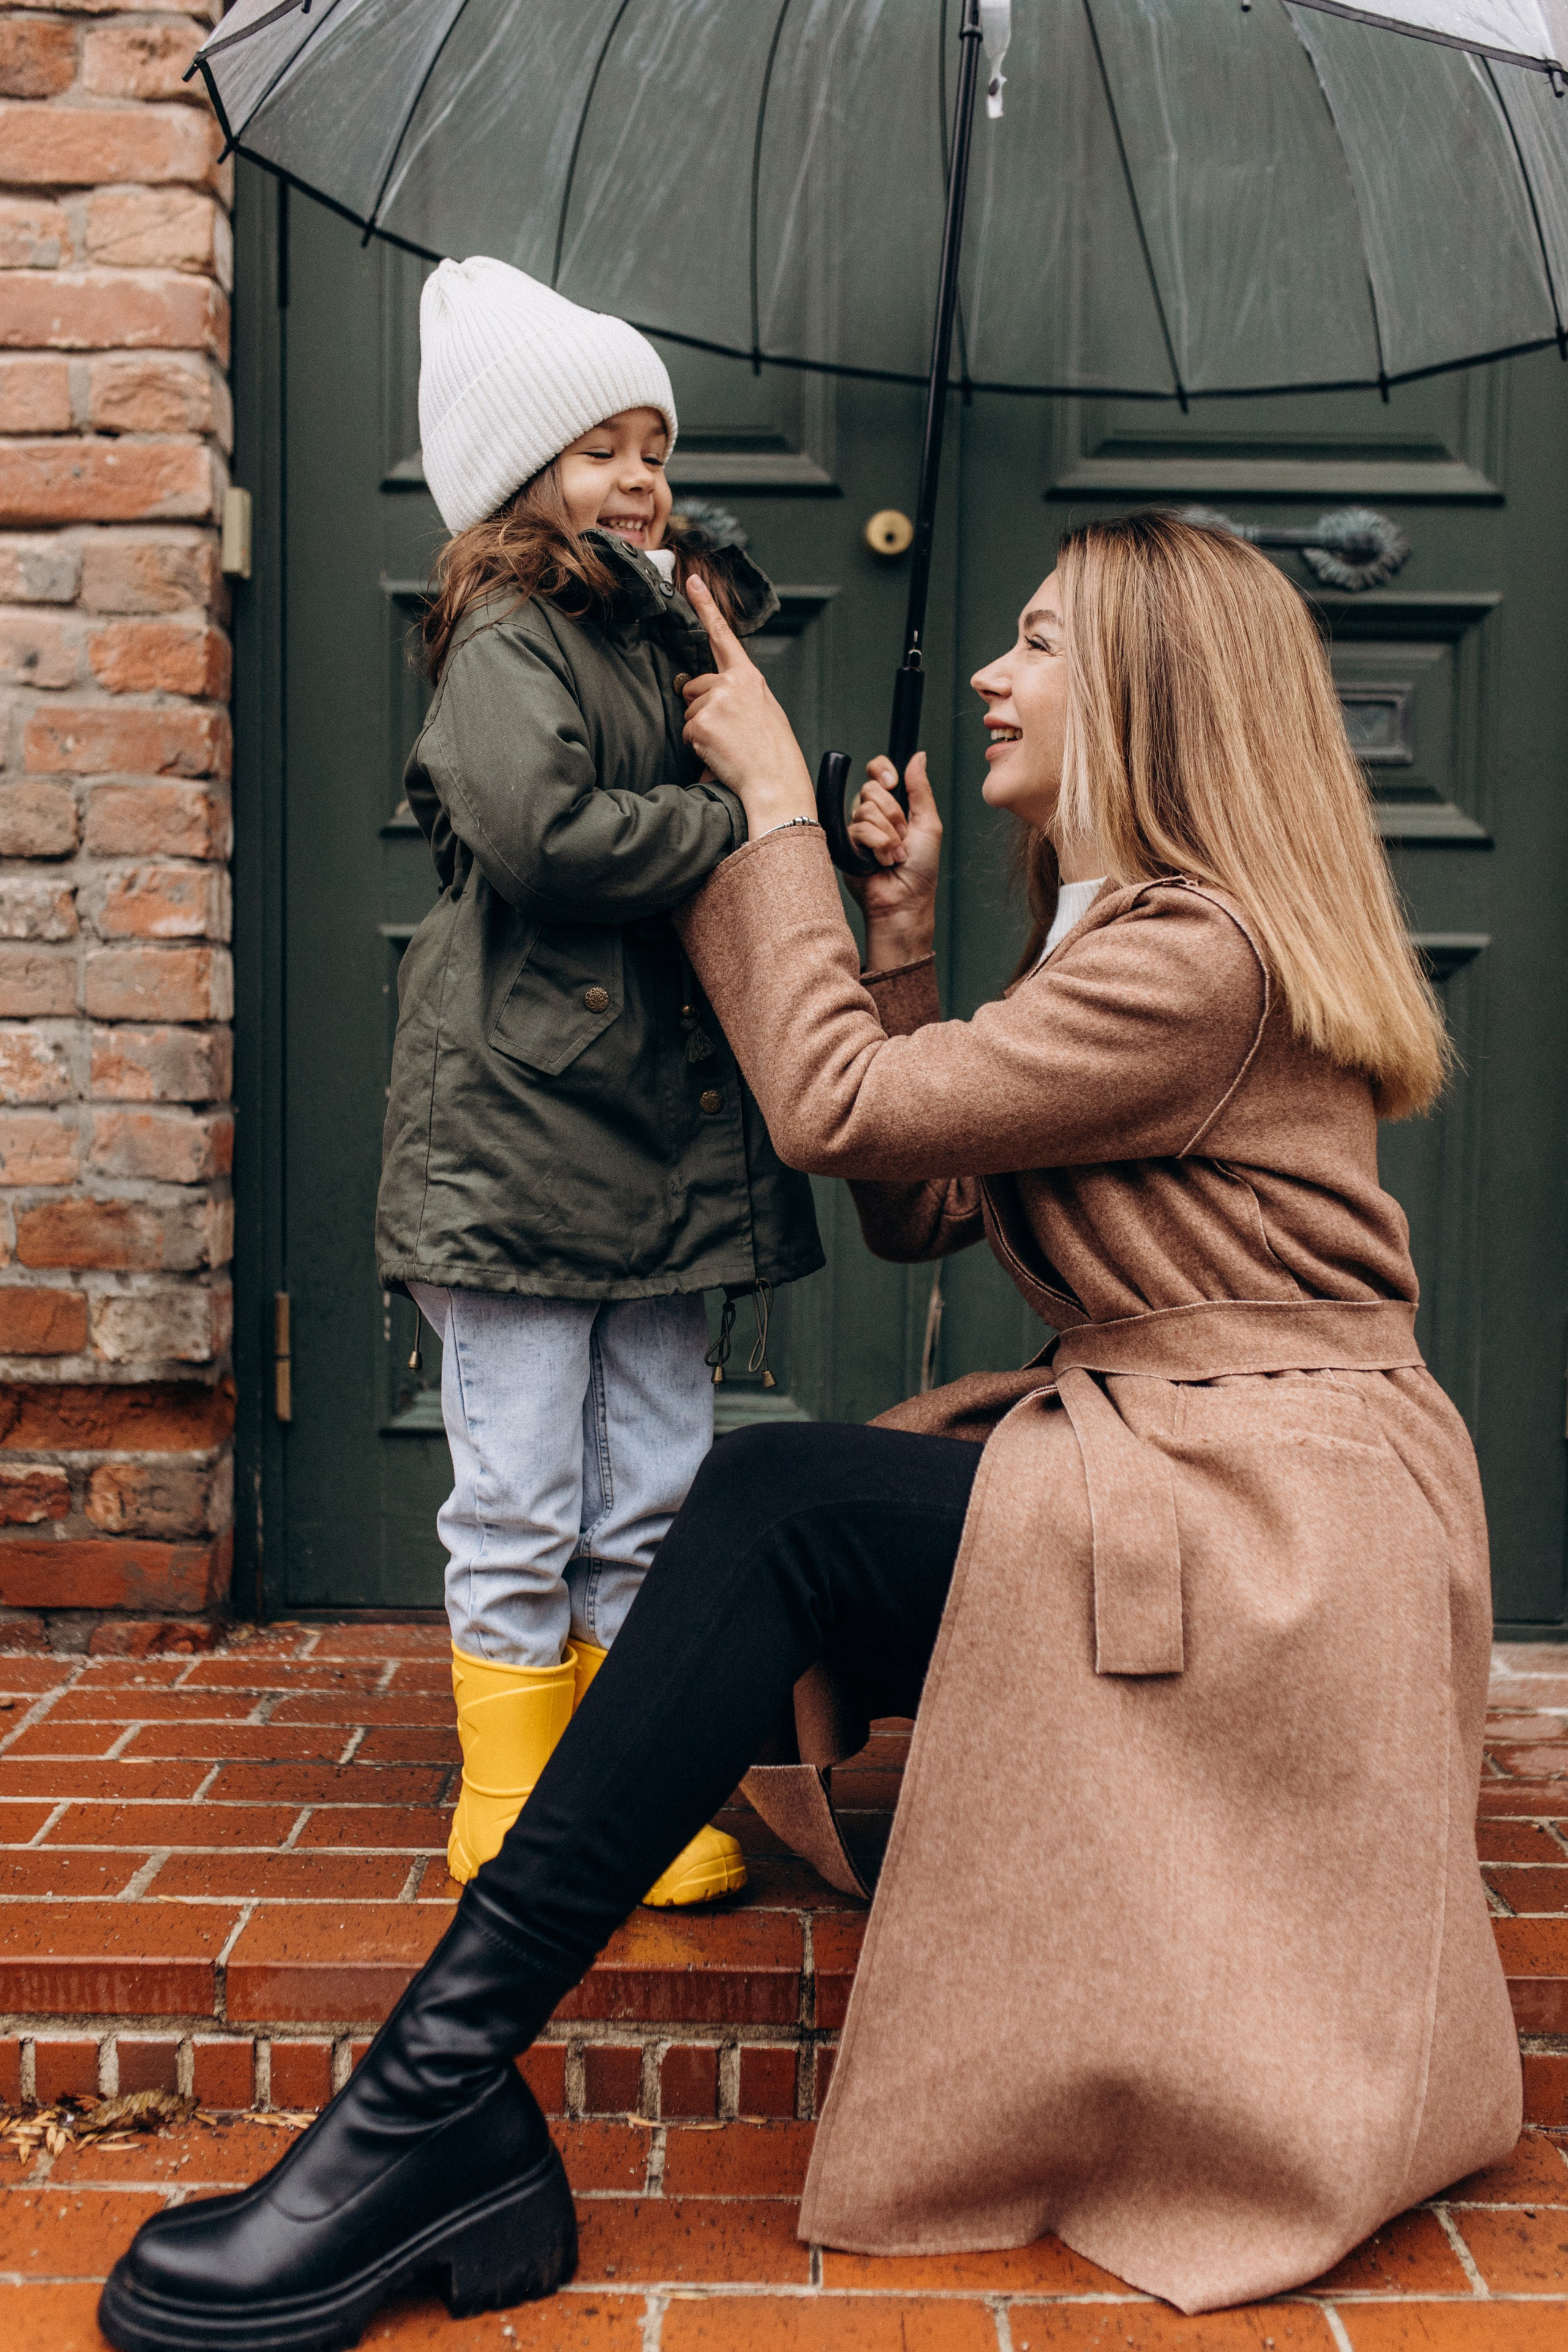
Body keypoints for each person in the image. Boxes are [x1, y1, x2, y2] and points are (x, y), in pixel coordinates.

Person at [100, 514, 1520, 2352]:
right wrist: (910, 932)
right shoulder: (1136, 942)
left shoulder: (1198, 962)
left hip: (1273, 1514)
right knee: (795, 1521)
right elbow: (928, 1202)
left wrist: (772, 802)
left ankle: (424, 2102)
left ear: (1156, 698)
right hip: (1205, 1461)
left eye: (1036, 644)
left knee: (775, 1500)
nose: (994, 679)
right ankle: (439, 2110)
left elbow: (839, 1110)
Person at [375, 257, 822, 1904]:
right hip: (519, 1133)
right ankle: (512, 1801)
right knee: (520, 1484)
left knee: (651, 1477)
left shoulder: (652, 623)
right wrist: (743, 821)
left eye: (655, 445)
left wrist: (760, 730)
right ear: (521, 478)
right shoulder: (509, 636)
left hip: (649, 1122)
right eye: (601, 450)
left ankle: (619, 1787)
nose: (644, 477)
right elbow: (539, 836)